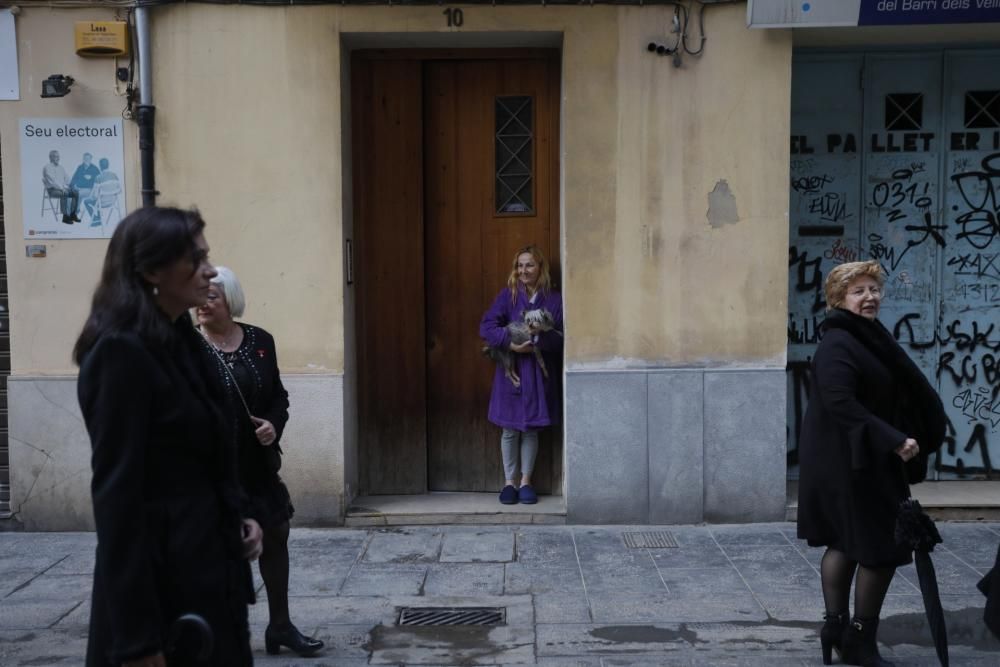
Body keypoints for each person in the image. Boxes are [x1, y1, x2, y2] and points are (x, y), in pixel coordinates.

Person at [74, 208, 262, 667]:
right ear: (152, 270)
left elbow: (204, 453)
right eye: (195, 259)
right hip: (161, 592)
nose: (210, 269)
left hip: (208, 573)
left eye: (206, 256)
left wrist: (237, 516)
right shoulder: (121, 353)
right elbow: (118, 500)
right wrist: (138, 640)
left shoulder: (182, 340)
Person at [797, 260, 945, 667]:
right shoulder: (838, 343)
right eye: (859, 291)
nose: (870, 297)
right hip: (852, 463)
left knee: (847, 541)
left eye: (874, 289)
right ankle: (858, 638)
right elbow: (841, 401)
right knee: (881, 546)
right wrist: (893, 439)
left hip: (859, 460)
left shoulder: (864, 337)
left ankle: (838, 629)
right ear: (839, 298)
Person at [195, 266, 324, 658]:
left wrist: (273, 425)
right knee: (219, 549)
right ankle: (216, 633)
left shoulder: (260, 341)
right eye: (199, 296)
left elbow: (278, 397)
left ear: (230, 300)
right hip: (212, 468)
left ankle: (280, 626)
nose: (202, 303)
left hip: (257, 465)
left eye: (211, 296)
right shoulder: (187, 346)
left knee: (276, 535)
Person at [479, 245, 563, 505]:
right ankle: (509, 482)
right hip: (512, 372)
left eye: (529, 265)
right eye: (520, 265)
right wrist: (510, 343)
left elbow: (560, 338)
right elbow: (487, 326)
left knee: (530, 431)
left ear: (540, 268)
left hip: (537, 374)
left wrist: (539, 340)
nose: (523, 270)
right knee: (509, 430)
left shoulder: (554, 299)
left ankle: (526, 482)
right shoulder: (508, 296)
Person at [42, 149, 80, 224]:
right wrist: (62, 188)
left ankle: (73, 214)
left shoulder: (61, 168)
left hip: (61, 188)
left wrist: (73, 185)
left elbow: (67, 179)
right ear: (51, 158)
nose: (58, 158)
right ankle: (65, 217)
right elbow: (53, 182)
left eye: (58, 156)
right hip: (52, 190)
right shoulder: (47, 167)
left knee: (76, 192)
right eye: (56, 156)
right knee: (65, 193)